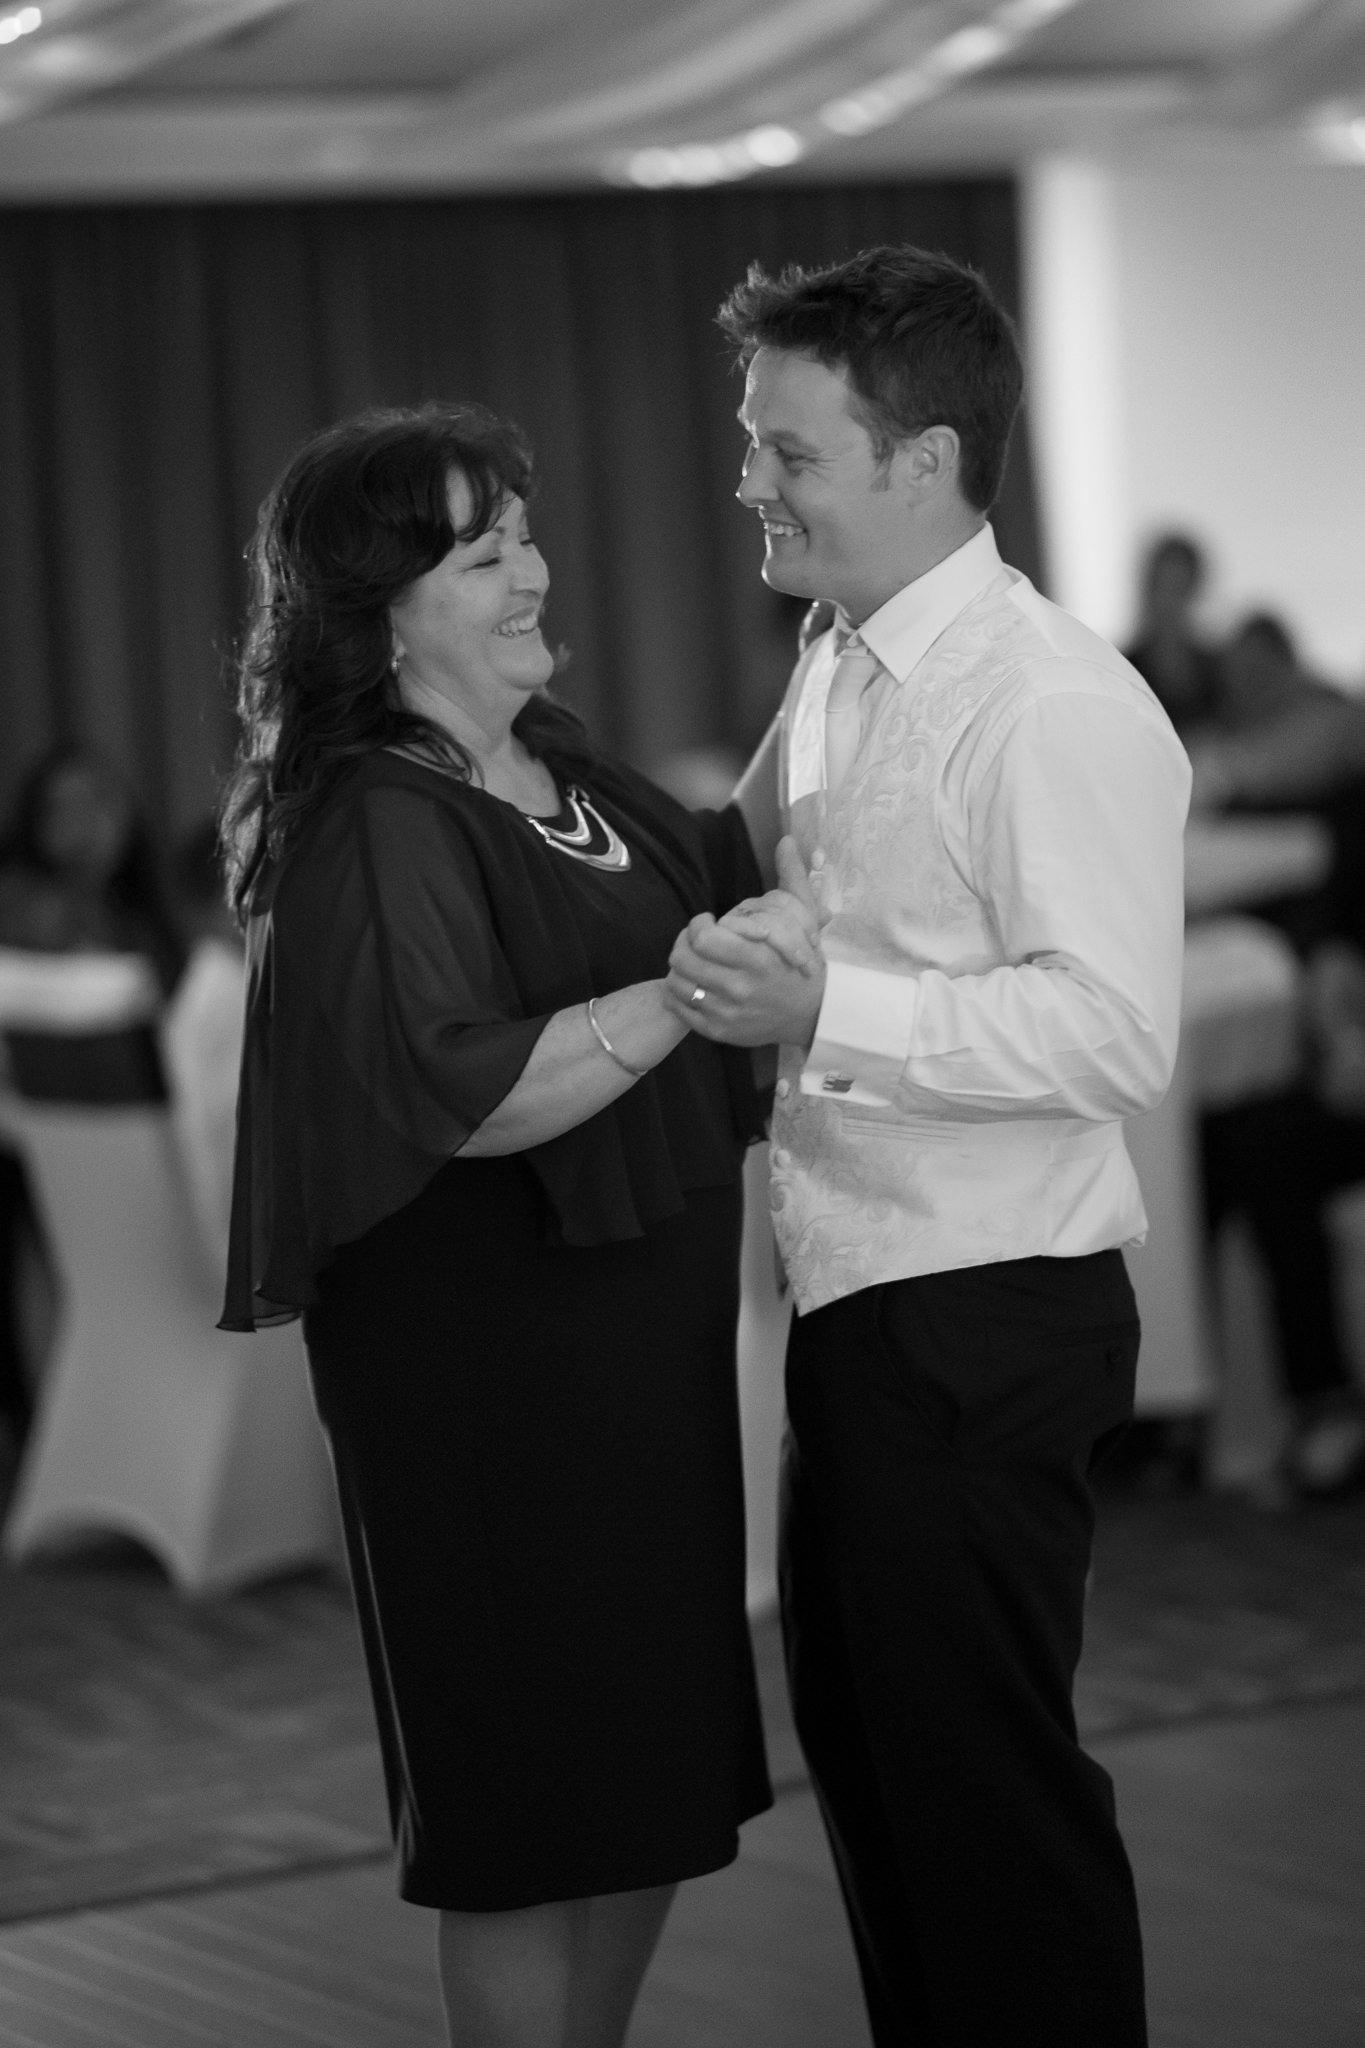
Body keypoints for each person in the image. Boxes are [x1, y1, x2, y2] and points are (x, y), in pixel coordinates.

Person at [663, 245, 1191, 2047]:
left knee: (988, 1821)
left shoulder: (1050, 700)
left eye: (788, 450)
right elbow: (738, 868)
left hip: (986, 1320)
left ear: (927, 458)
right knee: (888, 1799)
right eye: (755, 445)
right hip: (864, 1302)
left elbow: (1117, 1031)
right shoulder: (837, 655)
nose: (751, 481)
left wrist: (829, 1016)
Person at [218, 403, 773, 2048]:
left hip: (630, 1368)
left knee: (642, 1778)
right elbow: (469, 1088)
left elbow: (731, 863)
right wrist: (688, 989)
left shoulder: (565, 759)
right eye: (483, 554)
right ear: (381, 607)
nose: (533, 571)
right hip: (489, 1383)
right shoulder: (381, 810)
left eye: (524, 533)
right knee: (531, 1813)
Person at [1123, 530, 1222, 739]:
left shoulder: (1221, 669)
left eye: (1179, 587)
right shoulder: (1124, 669)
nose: (1170, 600)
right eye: (1164, 585)